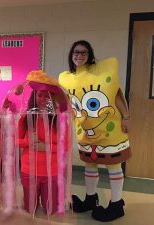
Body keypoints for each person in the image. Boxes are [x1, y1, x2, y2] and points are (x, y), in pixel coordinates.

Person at [59, 40, 131, 222]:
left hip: (110, 130)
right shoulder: (66, 78)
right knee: (90, 165)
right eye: (76, 52)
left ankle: (116, 203)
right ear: (71, 54)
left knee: (113, 165)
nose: (79, 55)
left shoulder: (102, 72)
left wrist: (126, 117)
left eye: (84, 52)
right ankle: (91, 198)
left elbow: (116, 94)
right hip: (84, 132)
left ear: (90, 55)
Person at [18, 89, 59, 215]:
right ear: (34, 97)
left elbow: (65, 146)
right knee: (30, 209)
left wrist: (47, 147)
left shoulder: (58, 119)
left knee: (50, 210)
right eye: (40, 95)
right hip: (29, 170)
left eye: (47, 96)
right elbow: (15, 140)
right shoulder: (26, 117)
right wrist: (27, 141)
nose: (43, 99)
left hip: (51, 171)